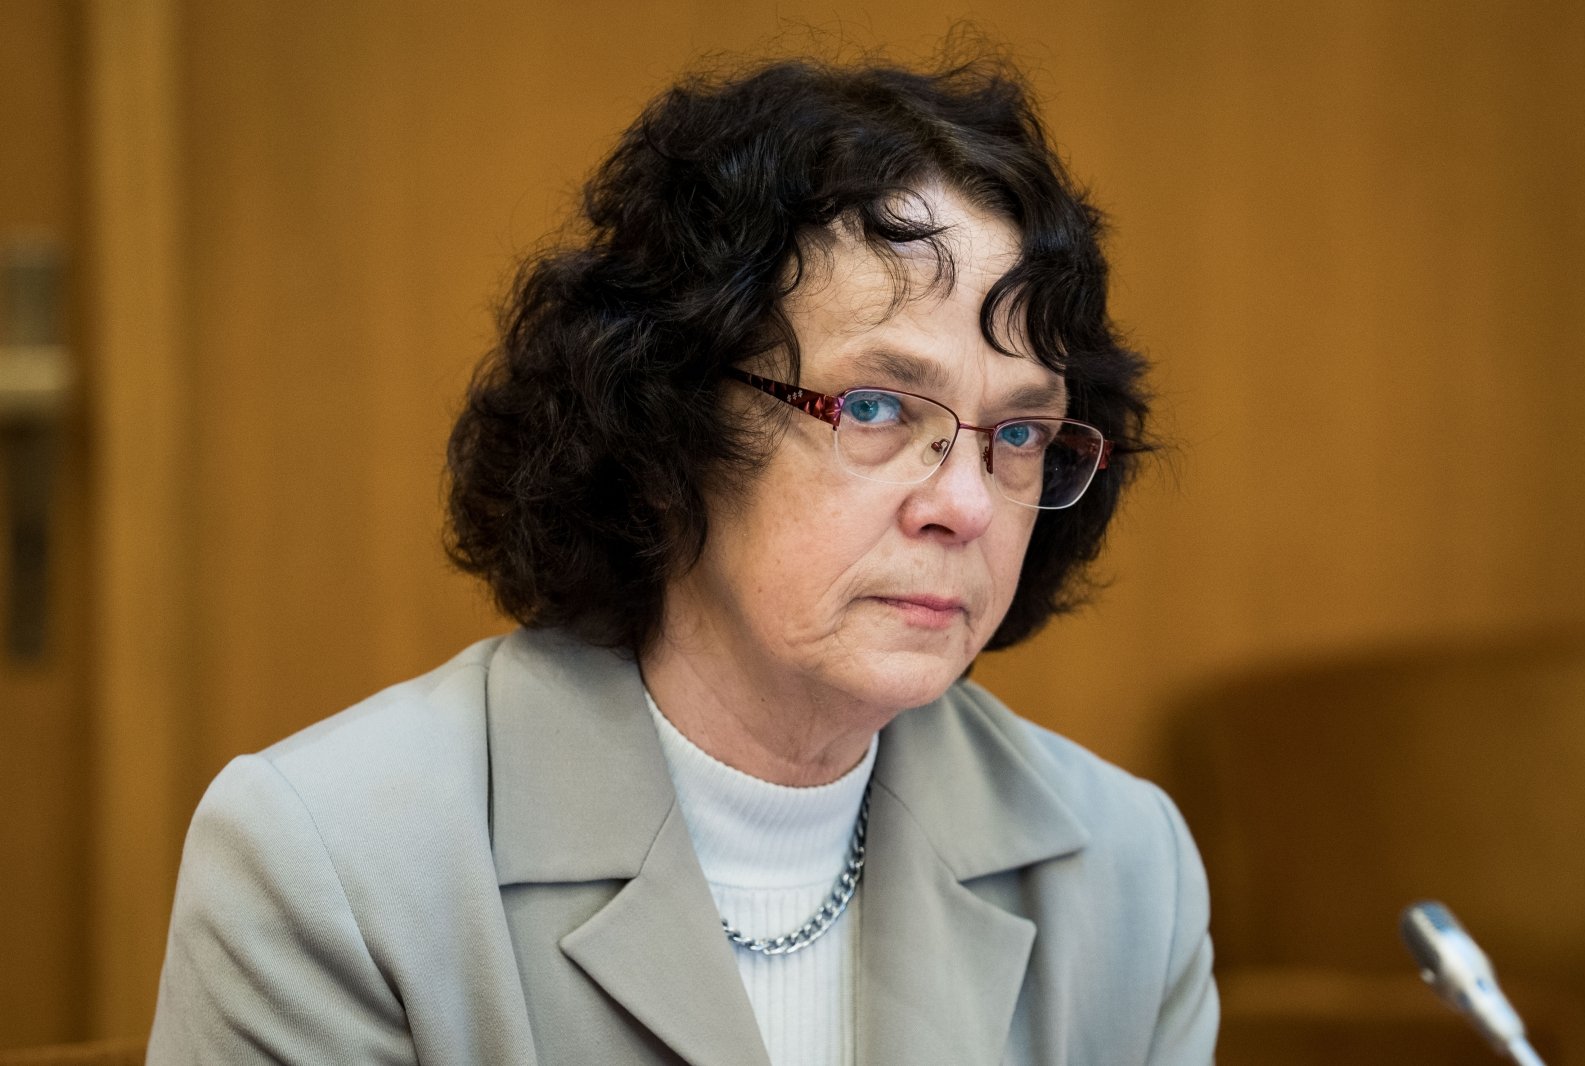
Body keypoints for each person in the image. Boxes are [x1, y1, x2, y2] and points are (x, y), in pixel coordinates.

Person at [147, 51, 1218, 1065]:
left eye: (1019, 432)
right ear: (669, 431)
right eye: (877, 407)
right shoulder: (332, 864)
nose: (966, 504)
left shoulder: (1124, 871)